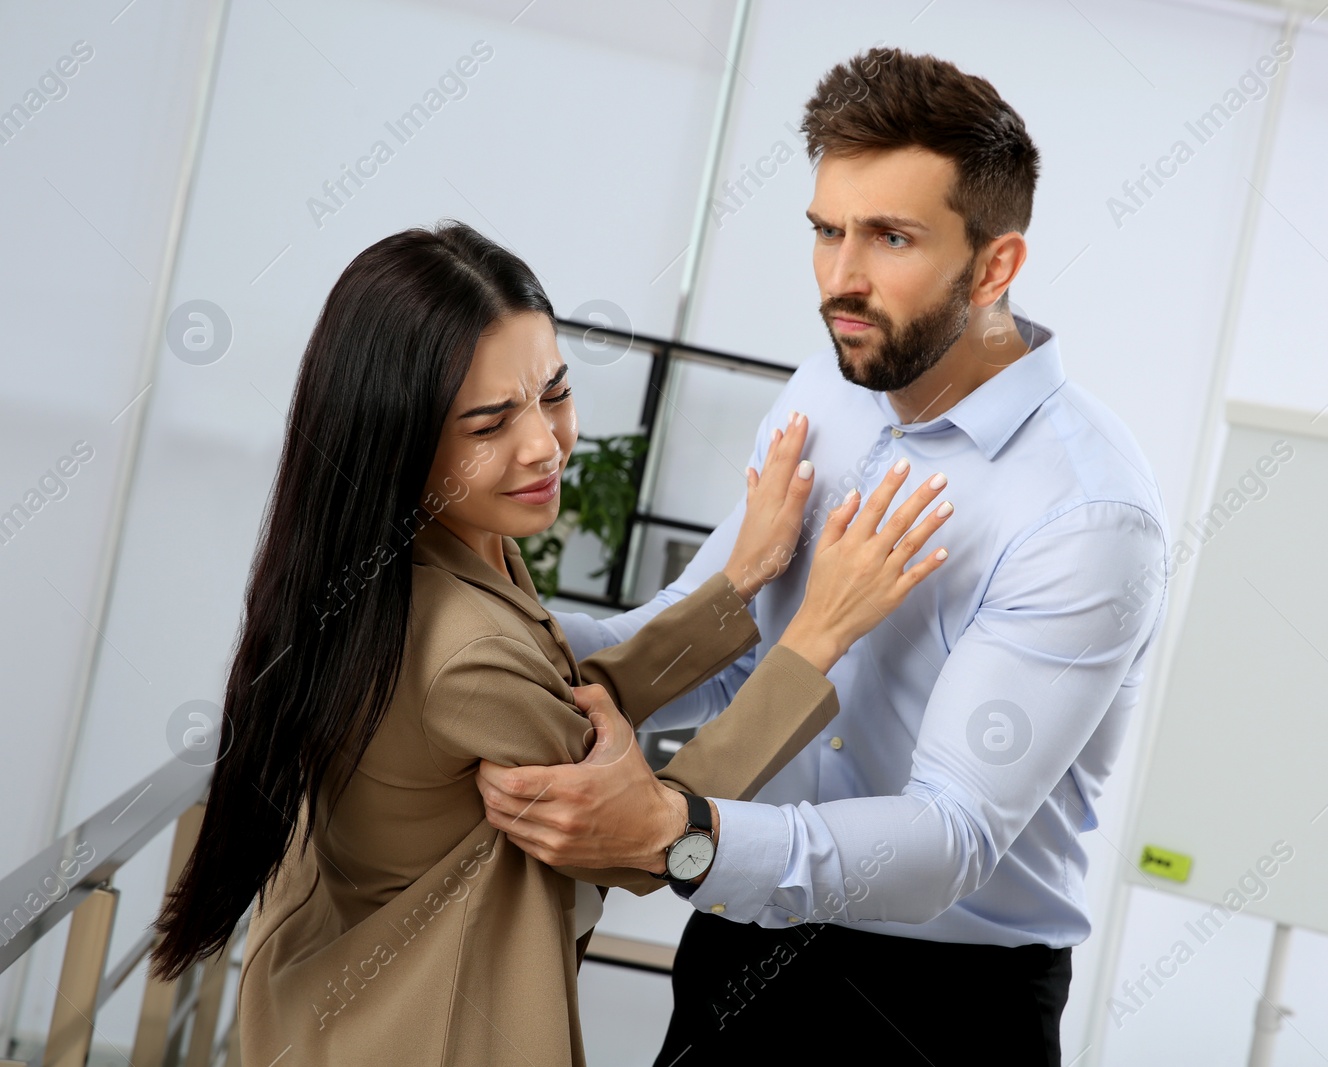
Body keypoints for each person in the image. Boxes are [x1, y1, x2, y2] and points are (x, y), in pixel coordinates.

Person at [476, 49, 1170, 1066]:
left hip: (940, 1005)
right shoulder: (826, 386)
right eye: (825, 230)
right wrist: (469, 631)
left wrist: (678, 827)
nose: (841, 277)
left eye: (890, 237)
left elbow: (949, 838)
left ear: (995, 266)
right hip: (739, 938)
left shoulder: (1086, 513)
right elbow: (707, 642)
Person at [145, 221, 957, 1065]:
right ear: (399, 439)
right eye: (490, 423)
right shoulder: (460, 645)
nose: (544, 445)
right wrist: (814, 636)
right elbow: (630, 840)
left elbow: (559, 693)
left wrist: (740, 584)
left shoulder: (419, 553)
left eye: (555, 393)